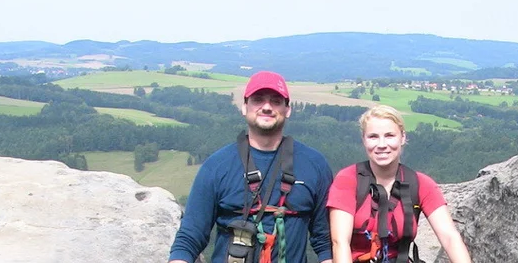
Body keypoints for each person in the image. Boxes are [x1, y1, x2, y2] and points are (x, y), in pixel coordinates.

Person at [169, 71, 334, 263]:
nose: (266, 107)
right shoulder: (217, 166)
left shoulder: (314, 164)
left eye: (275, 101)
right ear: (244, 107)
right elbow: (191, 236)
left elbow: (324, 241)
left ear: (288, 109)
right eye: (258, 100)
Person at [327, 105, 472, 263]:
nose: (382, 144)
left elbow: (450, 237)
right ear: (363, 140)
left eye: (389, 136)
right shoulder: (348, 180)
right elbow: (340, 242)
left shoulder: (420, 184)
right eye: (373, 137)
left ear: (402, 137)